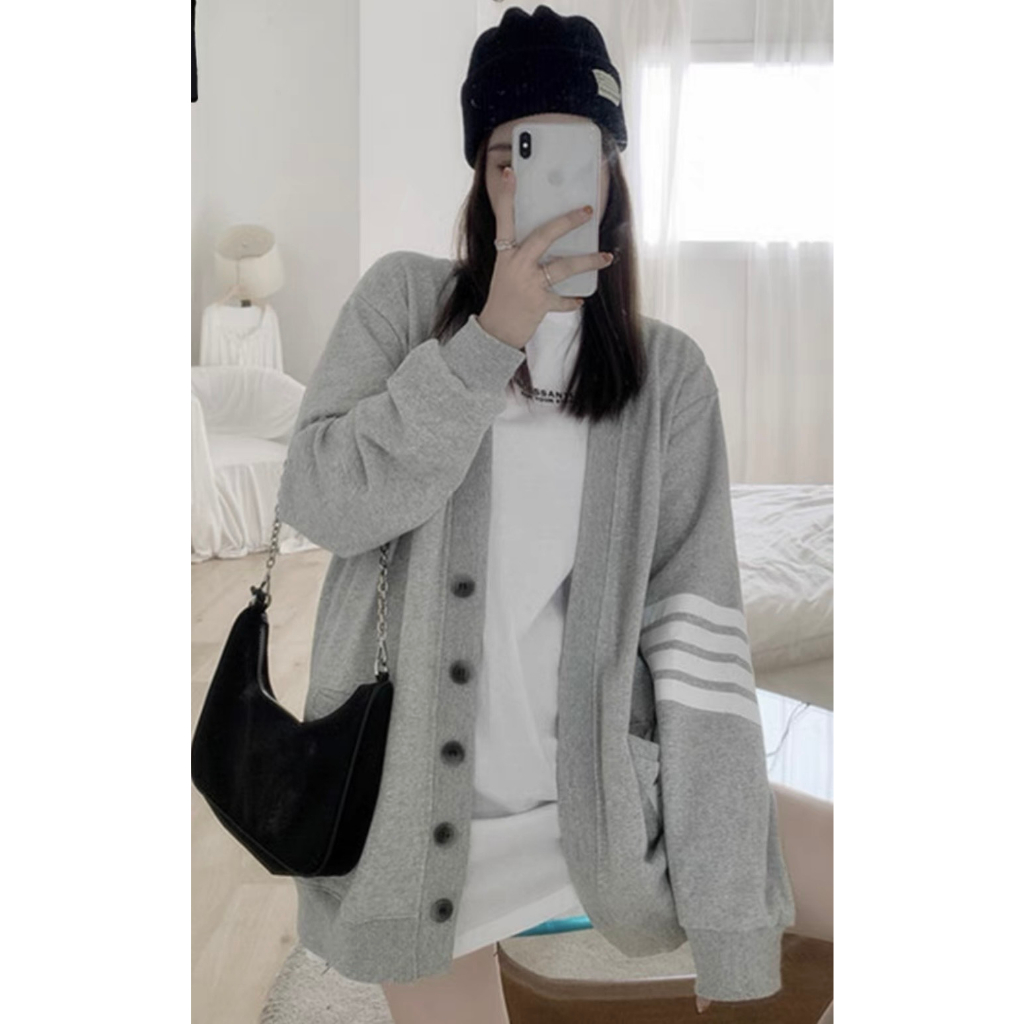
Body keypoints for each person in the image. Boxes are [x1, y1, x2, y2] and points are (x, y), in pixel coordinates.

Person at [278, 6, 831, 1023]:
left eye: (572, 154)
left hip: (602, 797)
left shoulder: (669, 378)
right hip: (410, 816)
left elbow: (697, 636)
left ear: (611, 172)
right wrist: (489, 340)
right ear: (480, 177)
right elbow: (322, 502)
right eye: (509, 156)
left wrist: (729, 911)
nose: (535, 183)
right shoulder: (402, 307)